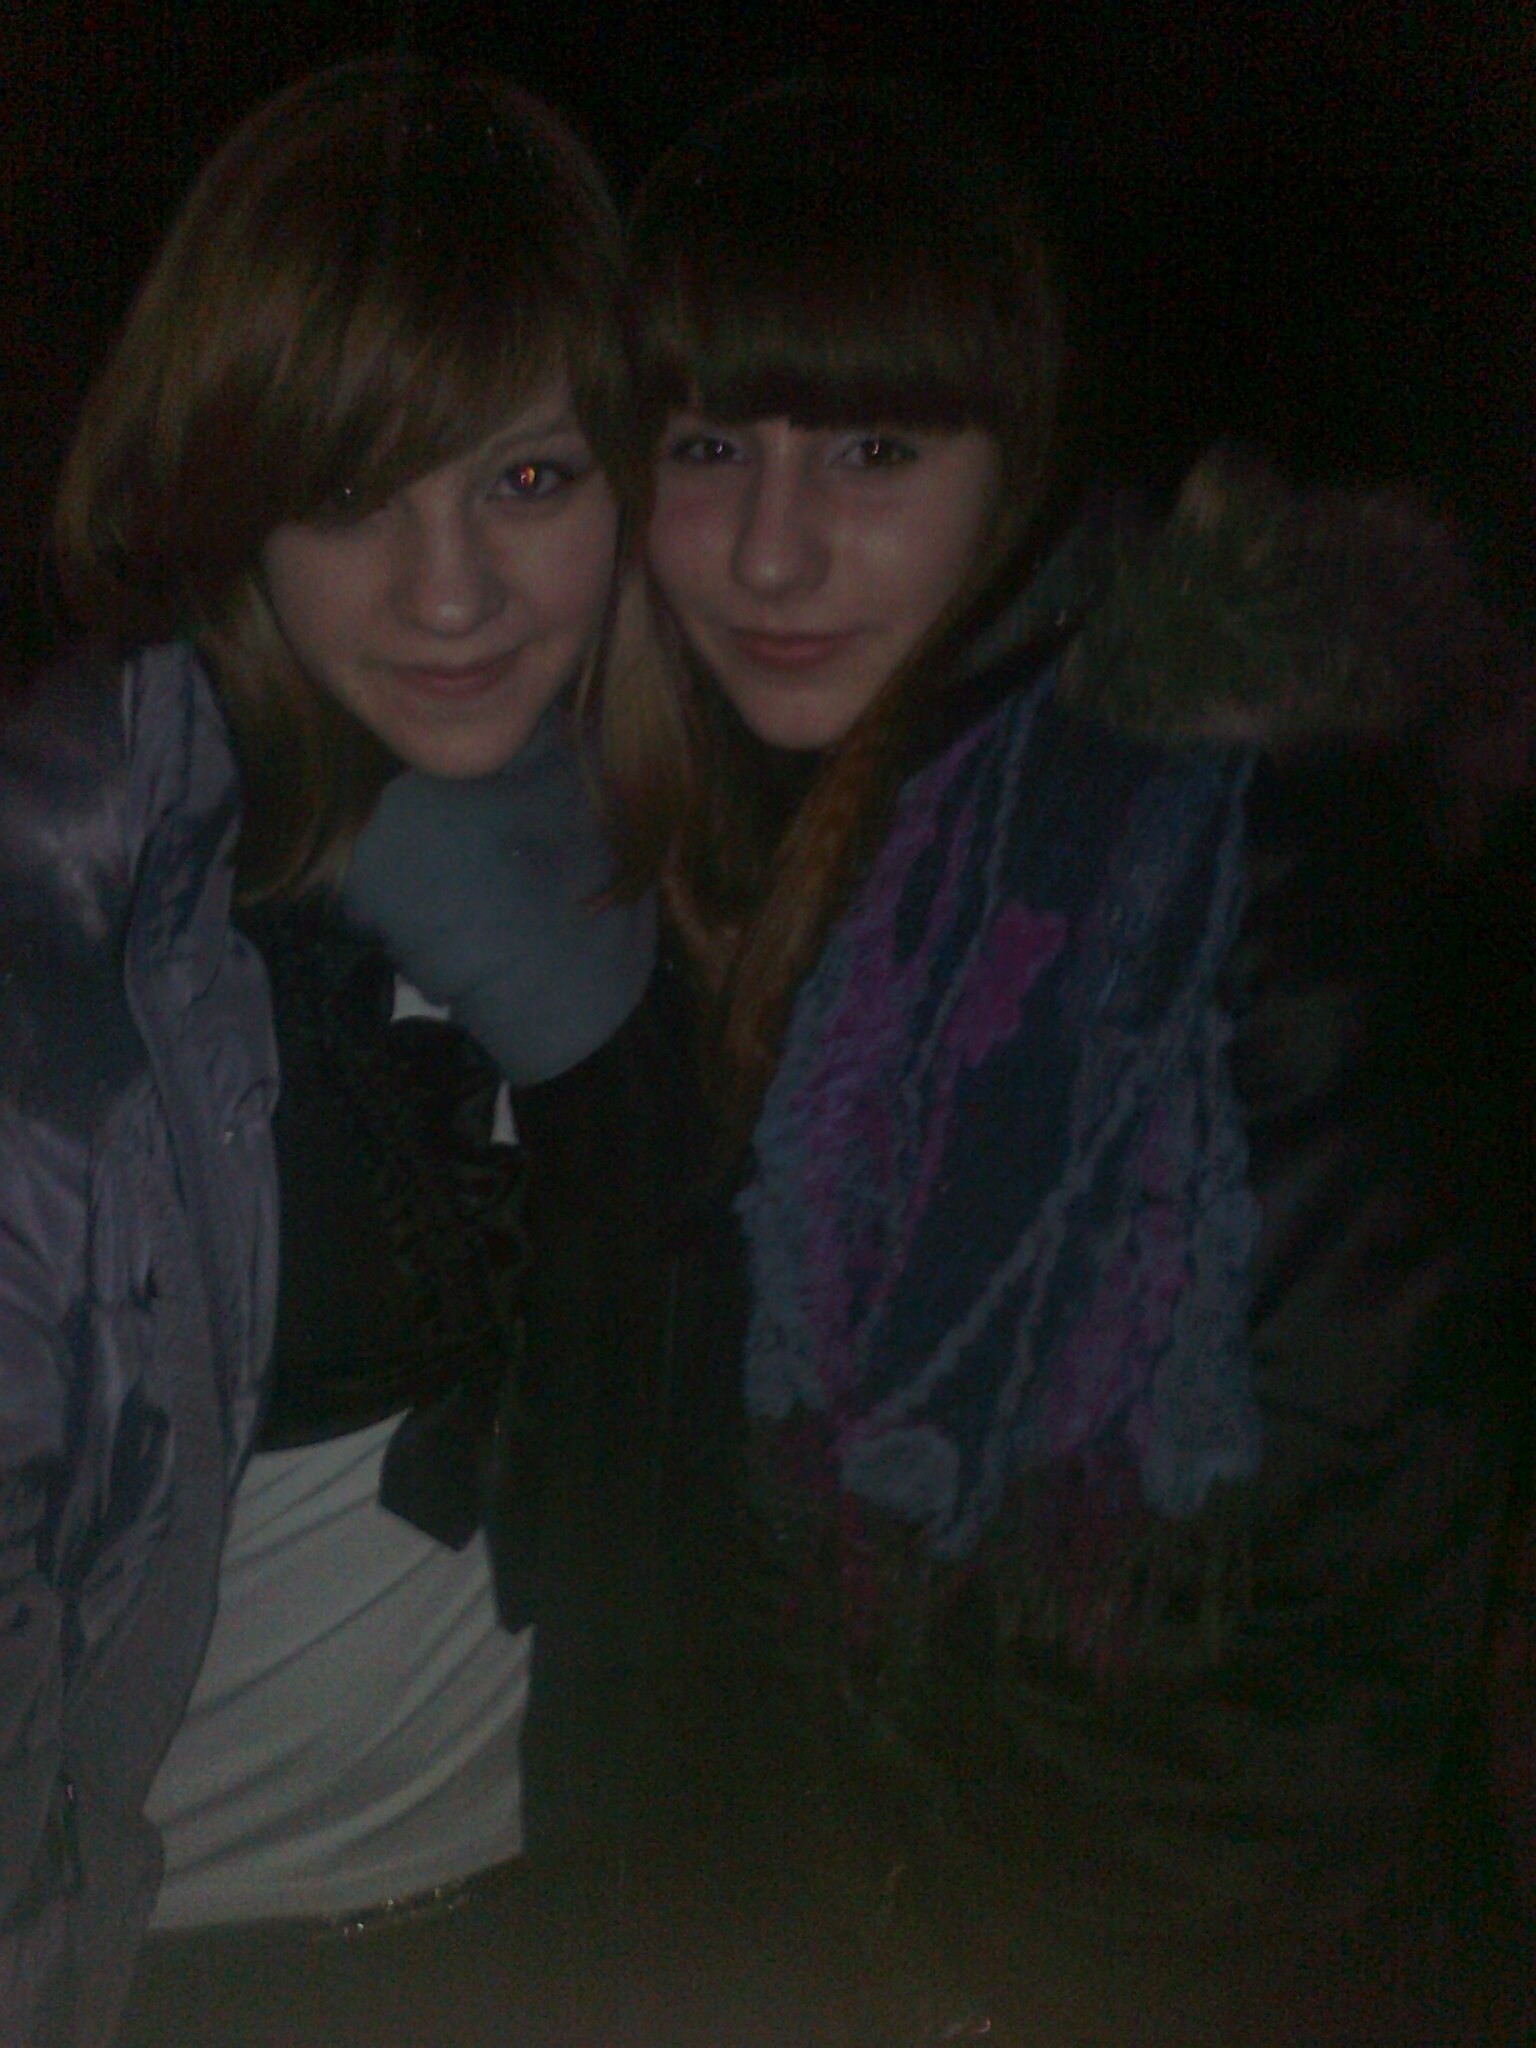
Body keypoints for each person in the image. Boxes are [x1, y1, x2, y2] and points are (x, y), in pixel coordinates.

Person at [601, 79, 1535, 2045]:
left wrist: (983, 1981)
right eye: (708, 446)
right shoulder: (786, 818)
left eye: (874, 447)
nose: (769, 552)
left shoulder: (1220, 873)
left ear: (1015, 464)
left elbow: (1335, 1628)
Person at [46, 56, 691, 2044]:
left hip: (582, 1916)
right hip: (186, 1970)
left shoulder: (682, 844)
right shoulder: (95, 933)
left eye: (527, 479)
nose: (450, 593)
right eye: (346, 492)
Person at [0, 636, 279, 2042]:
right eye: (347, 521)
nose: (448, 587)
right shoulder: (78, 857)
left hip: (577, 1889)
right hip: (160, 1957)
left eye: (530, 510)